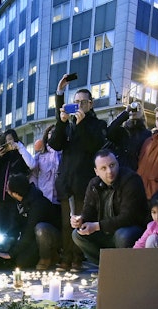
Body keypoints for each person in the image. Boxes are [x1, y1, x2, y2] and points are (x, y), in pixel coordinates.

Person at [49, 74, 107, 271]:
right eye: (76, 102)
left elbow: (94, 146)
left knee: (81, 221)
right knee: (67, 223)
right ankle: (66, 256)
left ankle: (77, 257)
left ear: (90, 104)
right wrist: (62, 121)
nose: (79, 106)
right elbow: (56, 144)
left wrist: (81, 125)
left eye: (83, 102)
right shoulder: (69, 125)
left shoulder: (97, 125)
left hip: (85, 182)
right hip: (67, 181)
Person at [71, 149, 148, 264]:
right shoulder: (94, 184)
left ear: (118, 163)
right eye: (103, 168)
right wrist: (80, 220)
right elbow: (88, 211)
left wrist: (97, 226)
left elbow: (129, 217)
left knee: (122, 235)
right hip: (105, 230)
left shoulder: (131, 180)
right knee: (78, 234)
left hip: (130, 229)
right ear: (96, 171)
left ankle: (124, 268)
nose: (109, 171)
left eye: (112, 165)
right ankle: (105, 266)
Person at [0, 174, 61, 270]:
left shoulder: (38, 203)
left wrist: (11, 254)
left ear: (16, 193)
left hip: (50, 236)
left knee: (40, 229)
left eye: (8, 188)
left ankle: (47, 256)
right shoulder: (18, 202)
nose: (6, 190)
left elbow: (30, 230)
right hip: (32, 237)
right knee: (19, 262)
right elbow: (16, 225)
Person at [0, 128, 32, 244]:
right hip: (1, 196)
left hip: (14, 197)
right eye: (6, 140)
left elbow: (30, 166)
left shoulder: (20, 154)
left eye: (11, 139)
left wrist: (19, 148)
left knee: (13, 224)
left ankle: (11, 249)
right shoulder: (1, 156)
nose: (9, 142)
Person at [105, 102, 151, 172]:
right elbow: (109, 132)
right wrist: (126, 112)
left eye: (137, 109)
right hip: (120, 171)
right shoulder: (122, 132)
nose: (134, 111)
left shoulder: (147, 134)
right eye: (132, 110)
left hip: (137, 172)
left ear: (142, 113)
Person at [29, 124, 62, 210]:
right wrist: (36, 192)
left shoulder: (64, 154)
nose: (53, 134)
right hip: (43, 197)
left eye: (56, 132)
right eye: (51, 132)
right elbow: (33, 175)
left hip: (60, 199)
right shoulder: (40, 155)